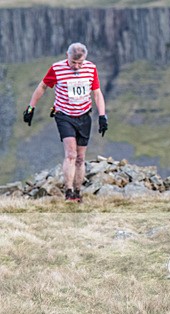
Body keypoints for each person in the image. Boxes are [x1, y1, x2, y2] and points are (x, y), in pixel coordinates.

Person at [23, 42, 108, 203]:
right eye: (73, 63)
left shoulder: (91, 68)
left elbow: (97, 93)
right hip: (64, 115)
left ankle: (77, 192)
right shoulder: (57, 68)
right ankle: (68, 192)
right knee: (70, 154)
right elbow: (42, 87)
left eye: (80, 63)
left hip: (84, 116)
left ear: (85, 59)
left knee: (81, 158)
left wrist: (102, 116)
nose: (76, 67)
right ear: (66, 56)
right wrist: (30, 108)